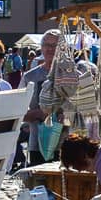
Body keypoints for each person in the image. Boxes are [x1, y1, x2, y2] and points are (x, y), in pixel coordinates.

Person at [18, 29, 62, 167]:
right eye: (47, 45)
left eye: (55, 45)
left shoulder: (73, 75)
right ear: (41, 47)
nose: (50, 49)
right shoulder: (29, 77)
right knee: (38, 186)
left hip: (66, 144)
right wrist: (37, 114)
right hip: (37, 144)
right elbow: (19, 112)